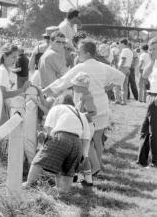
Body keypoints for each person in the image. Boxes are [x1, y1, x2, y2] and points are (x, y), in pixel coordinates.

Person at [42, 38, 125, 169]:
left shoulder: (80, 67)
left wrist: (44, 91)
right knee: (97, 138)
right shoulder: (103, 67)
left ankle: (85, 167)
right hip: (102, 106)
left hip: (84, 108)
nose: (76, 53)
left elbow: (63, 81)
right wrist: (108, 87)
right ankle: (98, 164)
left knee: (84, 139)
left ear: (87, 53)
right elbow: (121, 77)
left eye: (79, 51)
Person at [22, 94, 91, 193]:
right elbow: (86, 138)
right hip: (77, 143)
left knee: (38, 160)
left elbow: (49, 129)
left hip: (61, 136)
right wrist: (84, 155)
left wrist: (44, 147)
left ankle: (29, 183)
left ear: (58, 101)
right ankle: (63, 191)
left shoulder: (57, 108)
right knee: (68, 171)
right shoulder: (81, 115)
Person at [0, 44, 30, 126]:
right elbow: (3, 94)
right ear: (5, 56)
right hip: (0, 110)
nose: (16, 60)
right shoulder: (2, 71)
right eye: (13, 57)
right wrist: (22, 89)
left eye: (17, 57)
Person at [137, 37, 157, 168]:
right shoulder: (154, 62)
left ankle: (155, 161)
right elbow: (144, 76)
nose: (153, 51)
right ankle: (142, 160)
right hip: (151, 97)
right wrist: (153, 60)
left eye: (155, 49)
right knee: (145, 130)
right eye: (151, 49)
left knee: (154, 131)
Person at [114, 38, 133, 105]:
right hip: (128, 68)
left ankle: (117, 100)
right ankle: (124, 101)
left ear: (122, 43)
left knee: (117, 84)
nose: (119, 45)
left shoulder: (124, 50)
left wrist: (118, 69)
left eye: (120, 44)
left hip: (123, 68)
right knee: (125, 86)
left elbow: (123, 60)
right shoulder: (130, 51)